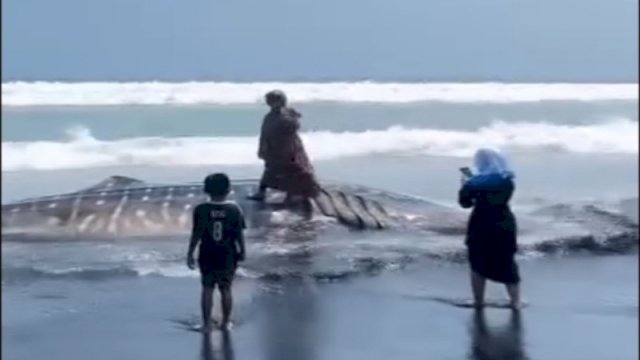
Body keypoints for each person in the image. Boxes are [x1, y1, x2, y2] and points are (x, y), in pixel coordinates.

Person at [458, 148, 521, 309]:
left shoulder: (474, 184)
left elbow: (465, 203)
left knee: (477, 262)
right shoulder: (507, 181)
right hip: (504, 222)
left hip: (481, 223)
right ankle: (516, 301)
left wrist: (464, 185)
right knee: (507, 261)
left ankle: (479, 301)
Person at [187, 173, 246, 332]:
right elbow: (238, 234)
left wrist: (190, 253)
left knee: (207, 288)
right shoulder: (234, 209)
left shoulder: (201, 210)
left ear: (206, 190)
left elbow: (196, 234)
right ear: (228, 190)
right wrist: (243, 251)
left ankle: (206, 325)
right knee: (226, 289)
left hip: (207, 253)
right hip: (228, 253)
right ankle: (226, 323)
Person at [247, 90, 320, 211]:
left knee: (292, 170)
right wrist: (262, 148)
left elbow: (293, 127)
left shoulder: (285, 115)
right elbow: (264, 134)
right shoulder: (270, 117)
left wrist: (292, 118)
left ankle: (291, 194)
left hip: (288, 146)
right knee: (270, 170)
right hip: (274, 147)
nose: (269, 103)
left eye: (271, 101)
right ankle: (262, 192)